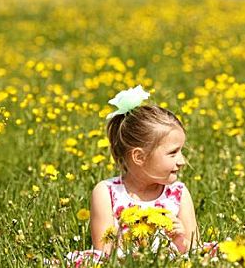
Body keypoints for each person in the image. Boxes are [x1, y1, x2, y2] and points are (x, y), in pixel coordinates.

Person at [65, 85, 207, 266]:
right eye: (173, 153)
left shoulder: (178, 193)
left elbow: (196, 251)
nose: (182, 161)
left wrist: (180, 240)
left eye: (181, 151)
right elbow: (103, 252)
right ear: (139, 156)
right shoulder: (106, 193)